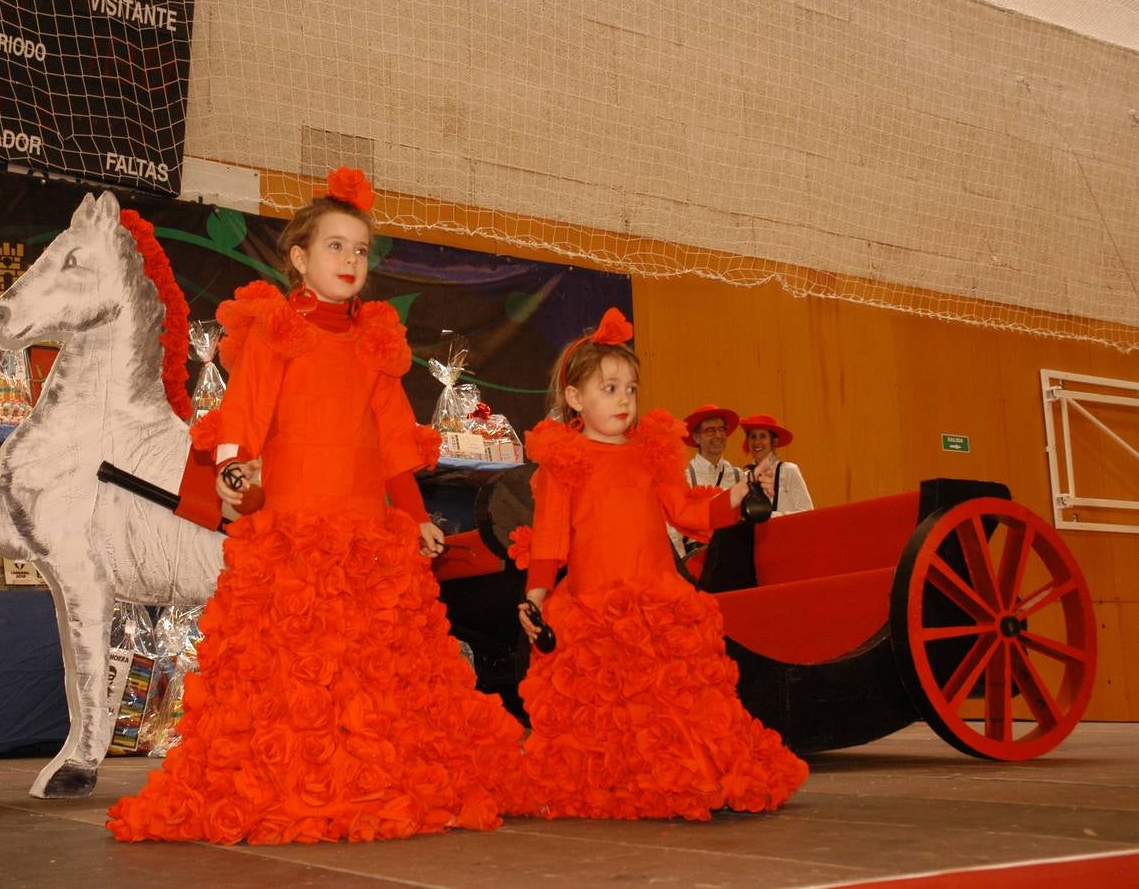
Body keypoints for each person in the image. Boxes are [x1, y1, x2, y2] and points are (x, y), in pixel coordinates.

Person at [108, 168, 522, 845]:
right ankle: (298, 784)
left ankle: (371, 779)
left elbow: (393, 441)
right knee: (294, 673)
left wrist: (415, 514)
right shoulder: (274, 329)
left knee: (374, 675)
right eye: (334, 246)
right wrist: (236, 468)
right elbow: (245, 412)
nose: (349, 261)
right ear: (299, 258)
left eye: (359, 250)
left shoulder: (374, 342)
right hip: (297, 533)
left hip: (365, 536)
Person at [508, 309, 807, 821]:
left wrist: (737, 494)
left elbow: (689, 512)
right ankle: (619, 786)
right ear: (577, 398)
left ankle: (685, 776)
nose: (624, 399)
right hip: (594, 609)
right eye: (609, 388)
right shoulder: (564, 462)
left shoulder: (651, 454)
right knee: (609, 711)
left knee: (671, 703)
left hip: (656, 603)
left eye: (631, 388)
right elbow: (551, 541)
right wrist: (535, 597)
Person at [667, 404, 743, 556]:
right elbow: (673, 530)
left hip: (736, 555)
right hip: (699, 557)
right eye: (710, 430)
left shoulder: (738, 475)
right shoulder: (685, 476)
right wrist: (684, 568)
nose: (718, 435)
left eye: (721, 429)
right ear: (696, 437)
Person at [740, 413, 814, 515]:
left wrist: (771, 516)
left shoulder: (788, 470)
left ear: (774, 441)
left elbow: (807, 513)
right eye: (753, 436)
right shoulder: (745, 476)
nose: (757, 442)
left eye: (763, 436)